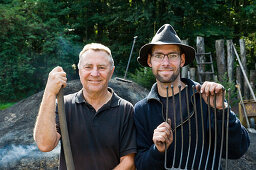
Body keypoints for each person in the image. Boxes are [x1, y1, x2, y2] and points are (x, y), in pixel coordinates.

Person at [134, 24, 250, 170]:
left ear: (182, 60)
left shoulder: (206, 98)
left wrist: (222, 111)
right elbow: (140, 164)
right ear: (150, 61)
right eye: (158, 56)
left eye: (172, 55)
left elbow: (237, 149)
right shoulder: (142, 110)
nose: (165, 62)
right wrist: (157, 150)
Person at [34, 43, 136, 170]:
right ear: (79, 70)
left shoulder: (125, 109)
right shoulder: (64, 106)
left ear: (111, 72)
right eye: (88, 67)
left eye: (101, 67)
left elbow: (129, 162)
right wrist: (49, 92)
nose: (95, 73)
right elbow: (45, 145)